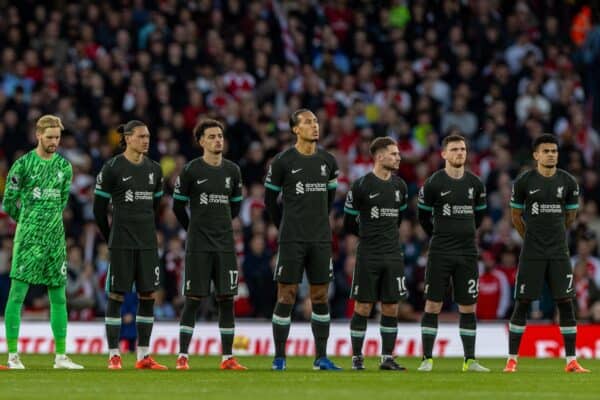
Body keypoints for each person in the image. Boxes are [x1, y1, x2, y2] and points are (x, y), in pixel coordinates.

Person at [2, 115, 83, 369]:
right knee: (17, 295)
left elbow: (61, 203)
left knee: (59, 297)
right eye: (49, 137)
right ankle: (13, 356)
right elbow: (7, 203)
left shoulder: (64, 167)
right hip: (28, 240)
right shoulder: (23, 165)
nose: (54, 142)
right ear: (38, 135)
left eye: (57, 137)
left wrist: (48, 224)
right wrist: (28, 222)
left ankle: (61, 356)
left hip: (55, 240)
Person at [505, 134, 590, 373]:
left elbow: (570, 217)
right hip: (532, 252)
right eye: (546, 151)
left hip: (558, 252)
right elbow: (515, 217)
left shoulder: (569, 182)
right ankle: (512, 360)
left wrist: (554, 237)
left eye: (554, 151)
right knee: (522, 302)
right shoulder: (524, 182)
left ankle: (571, 361)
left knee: (565, 302)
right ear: (536, 155)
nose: (551, 154)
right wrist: (531, 238)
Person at [265, 109, 340, 371]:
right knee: (286, 295)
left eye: (316, 121)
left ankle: (321, 357)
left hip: (320, 238)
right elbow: (270, 202)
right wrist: (284, 226)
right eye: (308, 122)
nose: (315, 126)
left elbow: (329, 201)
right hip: (292, 238)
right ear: (296, 129)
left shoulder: (328, 161)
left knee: (320, 296)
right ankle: (279, 357)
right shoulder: (283, 161)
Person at [172, 119, 246, 370]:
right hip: (199, 245)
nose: (218, 140)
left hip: (225, 244)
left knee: (227, 298)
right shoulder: (191, 170)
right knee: (193, 298)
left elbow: (235, 206)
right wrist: (193, 230)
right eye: (212, 136)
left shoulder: (233, 171)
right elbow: (177, 206)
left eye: (220, 136)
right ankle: (183, 355)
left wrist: (221, 225)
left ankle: (227, 358)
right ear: (201, 141)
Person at [94, 120, 166, 370]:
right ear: (127, 138)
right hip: (122, 242)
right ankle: (114, 354)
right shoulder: (112, 168)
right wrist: (110, 236)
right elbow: (98, 209)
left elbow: (155, 207)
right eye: (141, 136)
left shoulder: (155, 169)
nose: (146, 140)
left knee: (148, 295)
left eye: (148, 136)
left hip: (147, 243)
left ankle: (143, 355)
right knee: (116, 295)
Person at [416, 133, 489, 372]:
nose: (460, 153)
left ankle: (470, 360)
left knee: (468, 306)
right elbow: (423, 218)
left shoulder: (475, 184)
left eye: (463, 149)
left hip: (467, 252)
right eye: (455, 149)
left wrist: (463, 233)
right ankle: (427, 358)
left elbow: (478, 217)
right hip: (440, 251)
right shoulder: (434, 183)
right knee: (433, 304)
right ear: (444, 154)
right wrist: (441, 235)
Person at [343, 137, 409, 371]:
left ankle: (387, 358)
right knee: (363, 306)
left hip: (392, 254)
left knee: (391, 307)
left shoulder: (400, 187)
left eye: (398, 154)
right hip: (368, 254)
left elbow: (399, 220)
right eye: (393, 154)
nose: (398, 157)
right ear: (379, 157)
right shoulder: (361, 186)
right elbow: (349, 224)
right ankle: (357, 358)